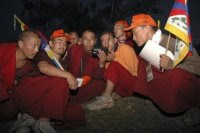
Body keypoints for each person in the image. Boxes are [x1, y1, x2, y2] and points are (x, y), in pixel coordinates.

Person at [125, 14, 200, 125]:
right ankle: (154, 98)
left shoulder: (176, 41)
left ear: (147, 28)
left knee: (175, 74)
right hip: (170, 84)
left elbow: (198, 66)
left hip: (192, 84)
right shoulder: (148, 48)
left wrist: (172, 64)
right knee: (144, 62)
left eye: (135, 33)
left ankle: (193, 107)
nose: (134, 38)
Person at [12, 29, 85, 133]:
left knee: (78, 113)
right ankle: (43, 121)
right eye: (59, 41)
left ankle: (32, 120)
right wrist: (67, 75)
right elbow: (44, 68)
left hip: (47, 100)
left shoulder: (64, 65)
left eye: (65, 43)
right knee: (61, 80)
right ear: (50, 43)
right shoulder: (42, 54)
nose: (62, 45)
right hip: (32, 93)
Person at [0, 30, 41, 131]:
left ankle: (20, 123)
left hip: (14, 99)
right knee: (9, 111)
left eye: (38, 47)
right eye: (33, 46)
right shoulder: (4, 51)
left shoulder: (29, 65)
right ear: (21, 44)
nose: (36, 50)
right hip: (3, 94)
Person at [86, 31, 138, 111]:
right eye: (103, 41)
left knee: (114, 65)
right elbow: (103, 78)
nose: (106, 44)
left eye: (109, 40)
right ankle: (110, 96)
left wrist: (114, 59)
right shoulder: (103, 55)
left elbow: (132, 71)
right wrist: (102, 62)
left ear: (115, 40)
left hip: (133, 85)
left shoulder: (125, 49)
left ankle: (106, 98)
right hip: (119, 88)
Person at [65, 30, 106, 103]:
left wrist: (101, 64)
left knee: (99, 84)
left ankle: (70, 98)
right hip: (72, 81)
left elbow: (97, 77)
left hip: (86, 84)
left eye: (91, 39)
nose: (88, 42)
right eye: (85, 39)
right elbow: (66, 65)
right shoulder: (74, 49)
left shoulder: (98, 54)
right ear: (81, 40)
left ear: (95, 40)